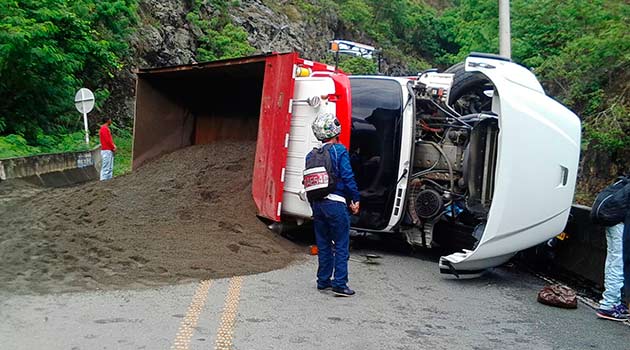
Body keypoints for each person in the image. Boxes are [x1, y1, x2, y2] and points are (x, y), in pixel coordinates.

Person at [306, 113, 360, 297]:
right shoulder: (339, 151)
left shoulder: (310, 155)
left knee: (324, 244)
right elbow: (347, 176)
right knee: (341, 244)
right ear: (335, 130)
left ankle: (323, 280)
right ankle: (340, 283)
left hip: (318, 205)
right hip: (336, 204)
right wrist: (355, 198)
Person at [596, 221, 629, 321]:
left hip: (612, 220)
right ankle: (610, 304)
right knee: (618, 262)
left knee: (612, 260)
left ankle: (609, 302)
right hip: (621, 222)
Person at [99, 117, 116, 181]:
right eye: (110, 119)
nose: (111, 121)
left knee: (109, 167)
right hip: (106, 150)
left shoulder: (104, 128)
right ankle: (103, 180)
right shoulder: (104, 128)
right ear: (108, 120)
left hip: (108, 149)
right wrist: (113, 147)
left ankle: (108, 179)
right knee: (106, 166)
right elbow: (108, 140)